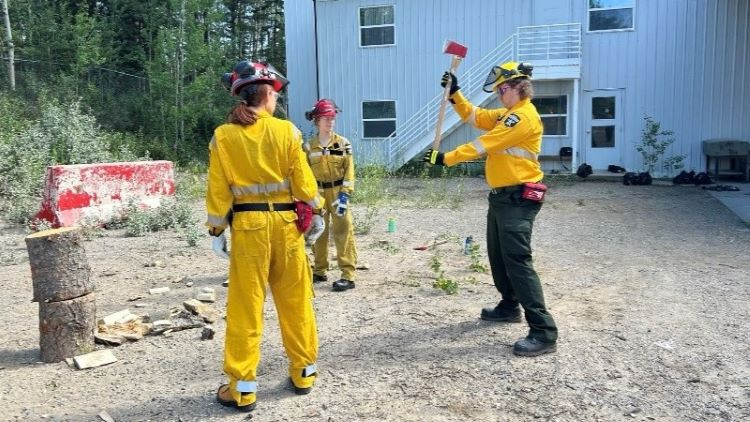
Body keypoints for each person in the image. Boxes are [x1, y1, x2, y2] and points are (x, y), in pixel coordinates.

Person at [206, 59, 326, 412]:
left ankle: (242, 389)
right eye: (275, 94)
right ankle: (304, 373)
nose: (277, 100)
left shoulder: (224, 136)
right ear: (266, 93)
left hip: (249, 230)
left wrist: (216, 229)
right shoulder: (287, 131)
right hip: (287, 228)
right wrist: (316, 211)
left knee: (246, 308)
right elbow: (303, 181)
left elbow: (218, 189)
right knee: (297, 301)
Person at [423, 61, 558, 357]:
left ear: (518, 86)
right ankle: (509, 306)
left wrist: (445, 159)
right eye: (497, 89)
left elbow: (484, 142)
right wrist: (455, 94)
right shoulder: (508, 114)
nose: (498, 93)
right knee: (498, 257)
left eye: (502, 88)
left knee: (518, 261)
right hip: (501, 197)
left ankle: (544, 331)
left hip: (519, 198)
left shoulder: (522, 117)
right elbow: (477, 117)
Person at [303, 99, 358, 292]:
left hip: (338, 193)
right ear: (317, 121)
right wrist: (307, 198)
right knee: (319, 231)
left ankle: (348, 275)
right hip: (317, 194)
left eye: (332, 118)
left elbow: (349, 171)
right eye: (326, 118)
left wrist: (345, 195)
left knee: (344, 231)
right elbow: (304, 174)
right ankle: (319, 270)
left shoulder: (343, 144)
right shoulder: (308, 147)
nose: (330, 121)